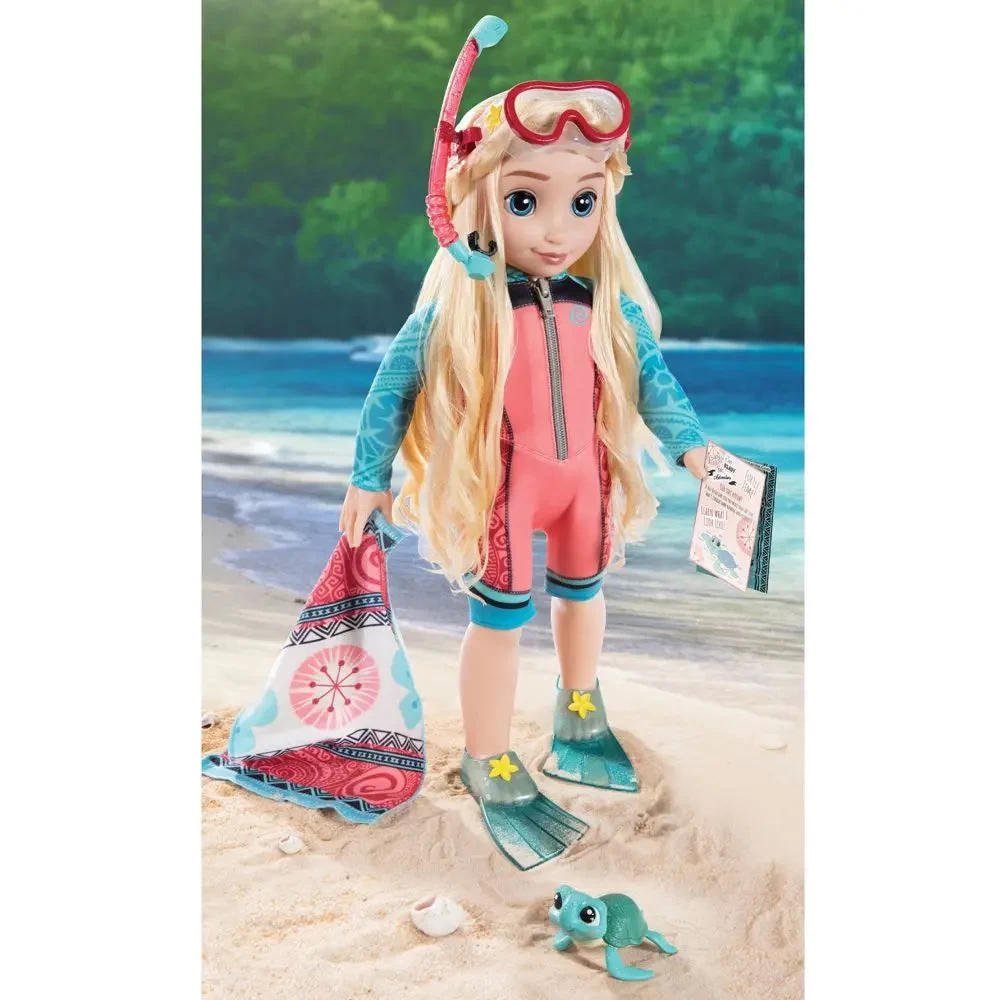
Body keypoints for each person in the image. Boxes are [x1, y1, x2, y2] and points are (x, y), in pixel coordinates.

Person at [338, 33, 710, 869]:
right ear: (476, 203)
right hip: (505, 489)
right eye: (524, 200)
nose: (556, 230)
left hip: (584, 488)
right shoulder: (461, 312)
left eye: (583, 203)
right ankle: (489, 755)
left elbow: (654, 384)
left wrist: (694, 451)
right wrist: (368, 477)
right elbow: (392, 389)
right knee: (499, 621)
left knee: (584, 596)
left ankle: (580, 713)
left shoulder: (604, 307)